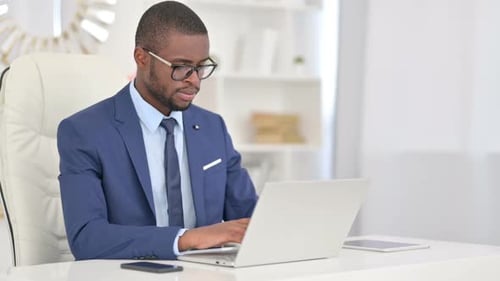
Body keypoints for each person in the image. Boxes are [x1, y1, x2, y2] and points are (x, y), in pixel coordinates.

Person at [57, 1, 258, 260]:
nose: (195, 80)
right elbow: (87, 238)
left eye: (201, 67)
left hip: (206, 275)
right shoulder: (84, 132)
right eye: (181, 67)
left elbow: (249, 220)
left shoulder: (212, 128)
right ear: (142, 58)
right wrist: (187, 239)